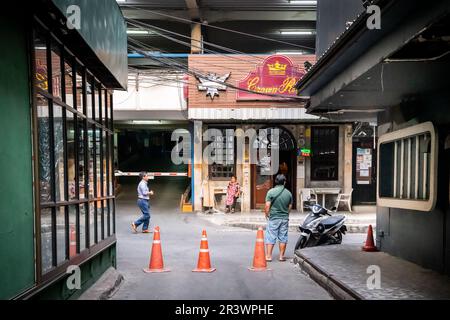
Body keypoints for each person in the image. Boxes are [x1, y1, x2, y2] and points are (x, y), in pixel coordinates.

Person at [264, 174, 292, 261]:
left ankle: (268, 256)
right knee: (283, 237)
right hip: (284, 218)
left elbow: (267, 206)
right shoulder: (288, 193)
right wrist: (286, 214)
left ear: (276, 181)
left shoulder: (271, 192)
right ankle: (281, 256)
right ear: (284, 182)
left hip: (274, 217)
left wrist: (267, 214)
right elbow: (290, 207)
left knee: (271, 236)